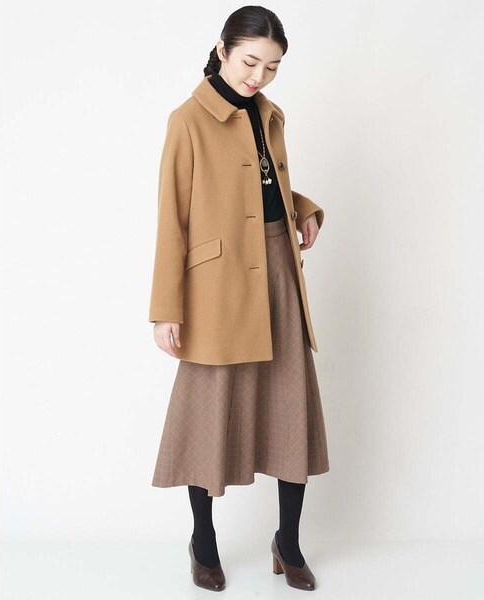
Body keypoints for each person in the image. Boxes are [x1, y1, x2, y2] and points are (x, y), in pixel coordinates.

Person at [148, 6, 330, 592]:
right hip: (216, 286)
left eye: (272, 67)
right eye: (251, 61)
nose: (259, 76)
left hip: (278, 270)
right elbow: (172, 220)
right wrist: (166, 307)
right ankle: (203, 542)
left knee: (290, 405)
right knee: (209, 413)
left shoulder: (269, 114)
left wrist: (301, 208)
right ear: (223, 49)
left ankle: (289, 543)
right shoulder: (187, 121)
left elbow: (263, 186)